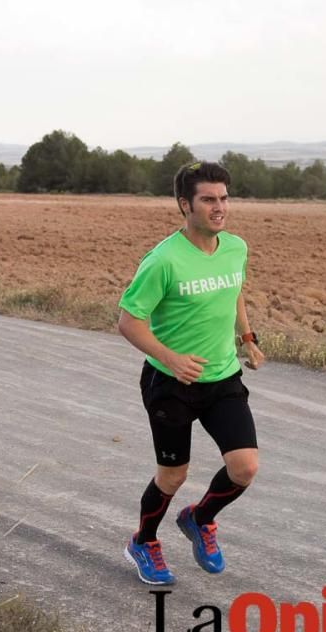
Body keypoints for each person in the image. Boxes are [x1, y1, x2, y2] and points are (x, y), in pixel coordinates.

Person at [118, 161, 265, 585]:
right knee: (173, 475)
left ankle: (200, 518)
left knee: (245, 468)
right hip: (170, 384)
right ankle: (143, 541)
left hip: (222, 378)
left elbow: (234, 290)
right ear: (185, 204)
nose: (219, 208)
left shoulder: (235, 247)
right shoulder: (163, 260)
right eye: (208, 200)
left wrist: (247, 337)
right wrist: (170, 357)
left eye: (223, 198)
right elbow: (129, 322)